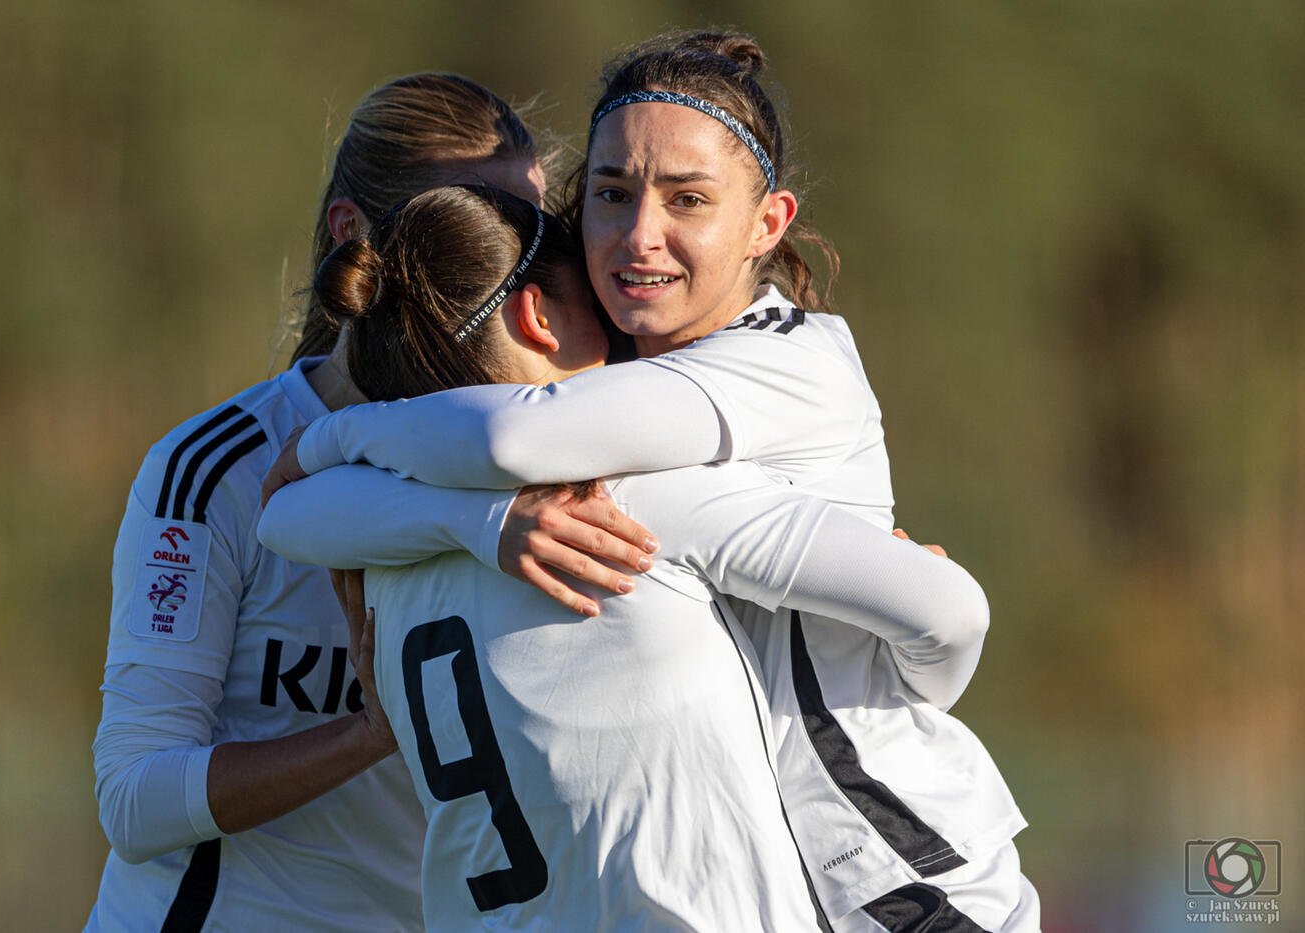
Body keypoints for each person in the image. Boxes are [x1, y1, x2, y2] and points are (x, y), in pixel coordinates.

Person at [264, 32, 1040, 932]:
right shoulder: (612, 390)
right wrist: (481, 524)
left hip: (897, 874)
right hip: (791, 888)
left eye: (689, 199)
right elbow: (298, 518)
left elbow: (516, 436)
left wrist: (341, 431)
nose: (640, 235)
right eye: (612, 194)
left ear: (768, 224)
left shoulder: (786, 364)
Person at [86, 74, 652, 933]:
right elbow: (134, 801)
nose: (514, 269)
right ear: (356, 238)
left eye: (535, 233)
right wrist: (366, 732)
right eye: (468, 227)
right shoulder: (216, 470)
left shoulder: (565, 463)